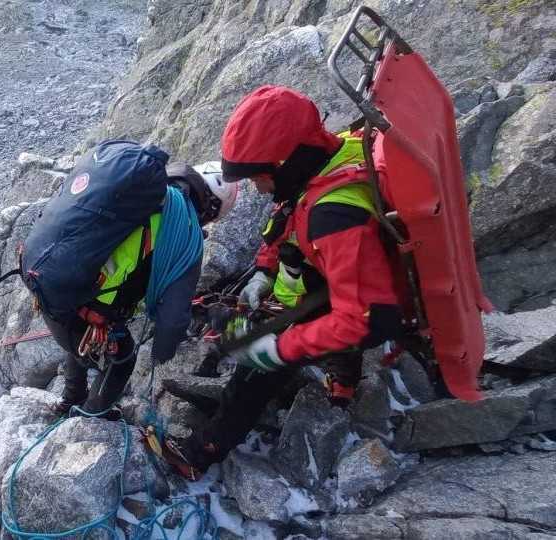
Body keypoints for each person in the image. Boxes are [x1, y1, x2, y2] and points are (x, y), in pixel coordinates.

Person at [183, 85, 405, 471]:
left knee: (255, 372)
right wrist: (265, 270)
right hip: (324, 280)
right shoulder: (339, 152)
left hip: (335, 294)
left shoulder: (334, 218)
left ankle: (203, 451)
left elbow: (367, 318)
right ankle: (341, 375)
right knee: (263, 328)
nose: (257, 187)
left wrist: (284, 347)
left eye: (259, 177)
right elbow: (286, 215)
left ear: (288, 162)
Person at [45, 160, 238, 417]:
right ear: (210, 207)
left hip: (53, 281)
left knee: (83, 339)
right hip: (87, 305)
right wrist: (164, 348)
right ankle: (90, 416)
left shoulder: (149, 190)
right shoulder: (184, 230)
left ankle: (70, 399)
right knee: (123, 357)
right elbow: (170, 320)